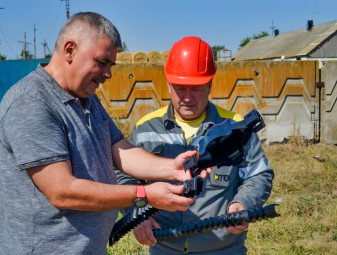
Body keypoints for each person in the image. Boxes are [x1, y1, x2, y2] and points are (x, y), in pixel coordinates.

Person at [0, 13, 207, 255]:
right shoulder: (30, 103)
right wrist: (144, 194)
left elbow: (121, 151)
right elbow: (62, 191)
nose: (108, 74)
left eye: (111, 65)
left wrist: (172, 169)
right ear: (70, 50)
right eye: (102, 62)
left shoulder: (87, 99)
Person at [116, 36, 274, 255]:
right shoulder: (146, 129)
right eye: (180, 88)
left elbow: (259, 174)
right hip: (165, 247)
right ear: (169, 84)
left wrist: (243, 204)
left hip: (223, 249)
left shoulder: (235, 128)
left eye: (196, 88)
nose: (188, 97)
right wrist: (137, 215)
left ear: (210, 84)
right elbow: (123, 176)